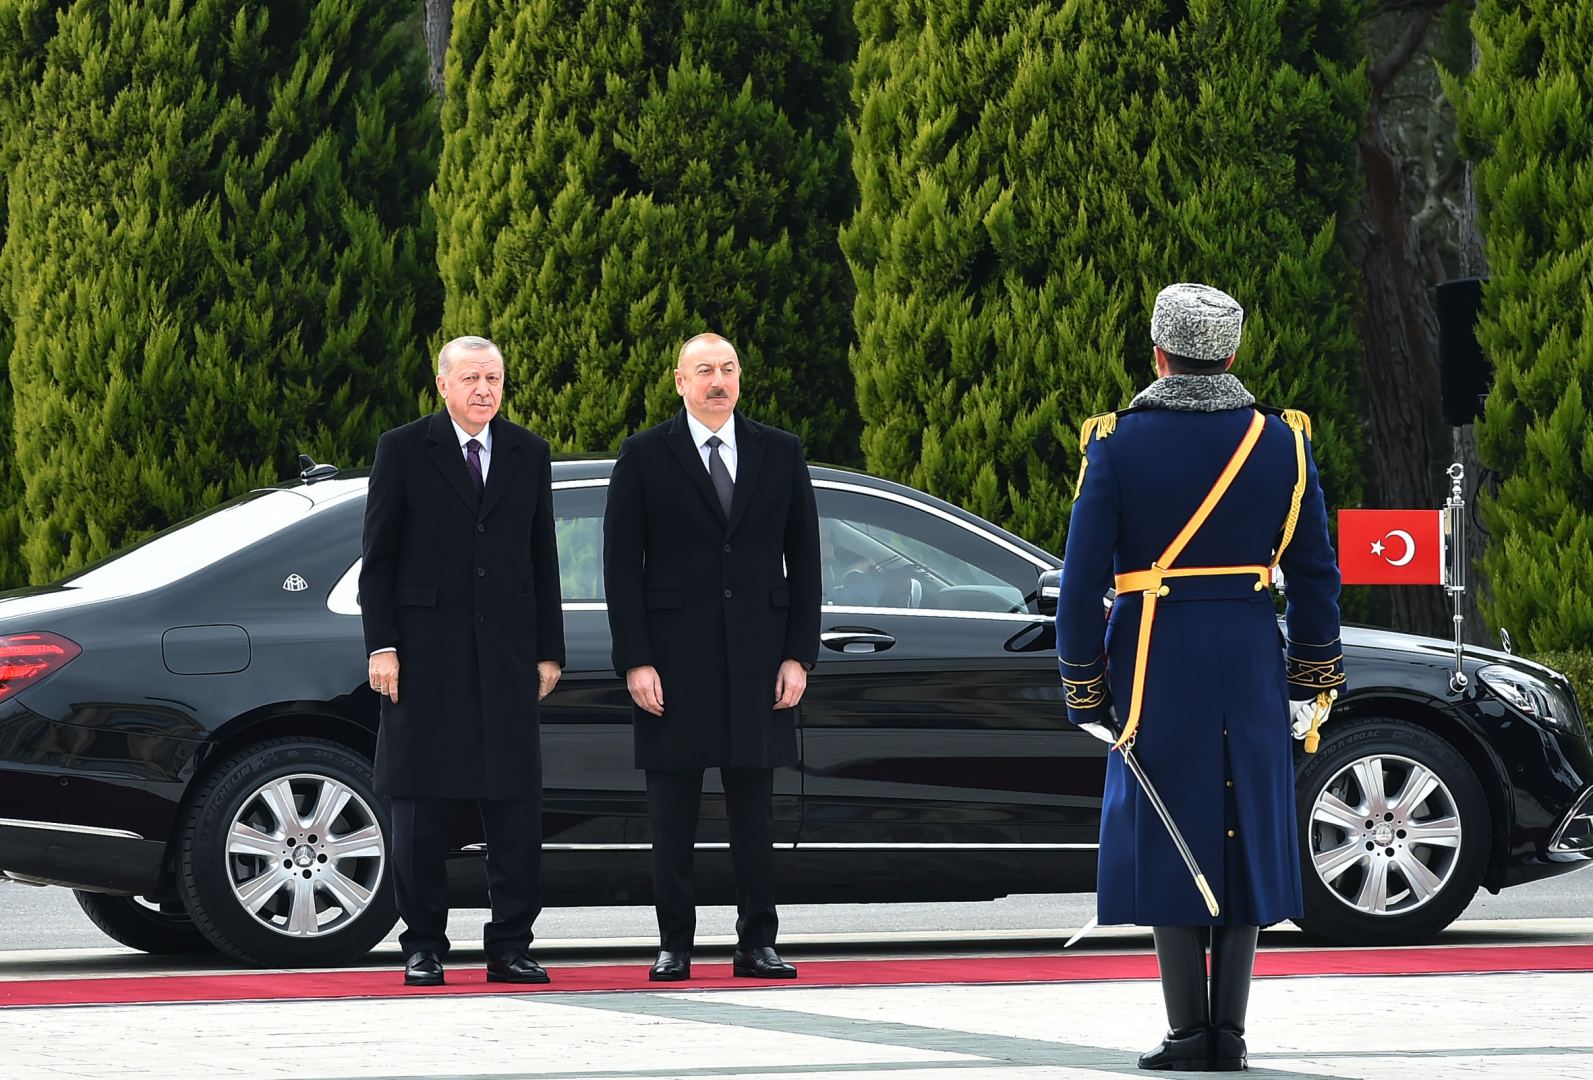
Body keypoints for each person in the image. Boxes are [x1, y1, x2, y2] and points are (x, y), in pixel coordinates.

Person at [1056, 284, 1345, 1071]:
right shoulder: (1282, 442)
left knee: (1167, 827)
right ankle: (1231, 1036)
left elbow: (1082, 578)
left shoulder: (1113, 445)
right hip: (1250, 648)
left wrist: (1084, 683)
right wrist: (1308, 678)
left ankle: (1188, 1034)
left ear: (1157, 354)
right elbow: (1316, 575)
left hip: (1155, 653)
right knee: (1244, 826)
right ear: (1231, 354)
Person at [602, 332, 820, 982]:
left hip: (759, 662)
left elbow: (805, 562)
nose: (717, 380)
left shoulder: (778, 452)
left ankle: (757, 942)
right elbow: (620, 568)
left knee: (754, 814)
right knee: (672, 816)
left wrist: (797, 656)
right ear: (679, 381)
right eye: (704, 371)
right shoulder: (643, 457)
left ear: (739, 378)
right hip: (672, 664)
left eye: (727, 369)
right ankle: (675, 945)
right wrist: (635, 659)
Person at [360, 335, 565, 987]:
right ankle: (422, 943)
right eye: (472, 378)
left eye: (494, 378)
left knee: (513, 806)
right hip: (423, 657)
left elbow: (542, 557)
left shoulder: (527, 453)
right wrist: (382, 644)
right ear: (442, 383)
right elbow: (379, 559)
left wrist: (548, 649)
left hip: (506, 656)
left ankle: (510, 945)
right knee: (419, 808)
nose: (484, 390)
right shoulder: (402, 449)